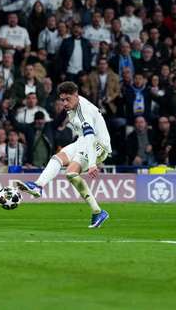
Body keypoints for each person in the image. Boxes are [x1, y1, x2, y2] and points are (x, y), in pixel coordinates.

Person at [15, 81, 112, 228]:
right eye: (62, 100)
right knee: (57, 158)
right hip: (83, 141)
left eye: (68, 99)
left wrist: (92, 163)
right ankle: (38, 186)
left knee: (71, 173)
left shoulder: (83, 111)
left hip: (98, 145)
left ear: (76, 95)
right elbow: (85, 137)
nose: (65, 103)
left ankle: (98, 212)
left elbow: (91, 137)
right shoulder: (72, 107)